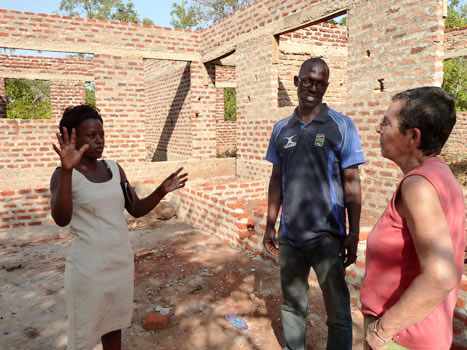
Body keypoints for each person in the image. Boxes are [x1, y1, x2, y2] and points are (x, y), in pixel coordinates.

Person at [50, 104, 188, 350]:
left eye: (101, 135)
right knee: (83, 335)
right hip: (88, 270)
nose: (99, 141)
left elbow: (135, 208)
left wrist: (160, 191)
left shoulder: (113, 168)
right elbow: (61, 218)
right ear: (72, 137)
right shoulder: (63, 175)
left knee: (114, 327)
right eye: (91, 136)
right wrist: (68, 171)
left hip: (120, 264)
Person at [263, 57, 365, 350]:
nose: (312, 87)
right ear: (296, 82)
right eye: (307, 81)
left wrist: (353, 233)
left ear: (327, 87)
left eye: (320, 83)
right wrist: (271, 225)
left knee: (339, 313)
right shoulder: (281, 129)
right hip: (290, 237)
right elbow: (276, 179)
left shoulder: (341, 126)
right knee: (293, 305)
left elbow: (352, 183)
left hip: (327, 238)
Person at [360, 87, 466, 350]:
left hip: (403, 338)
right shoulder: (440, 175)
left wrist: (381, 331)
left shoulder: (418, 186)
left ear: (412, 137)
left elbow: (441, 276)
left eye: (386, 122)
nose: (378, 129)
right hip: (422, 332)